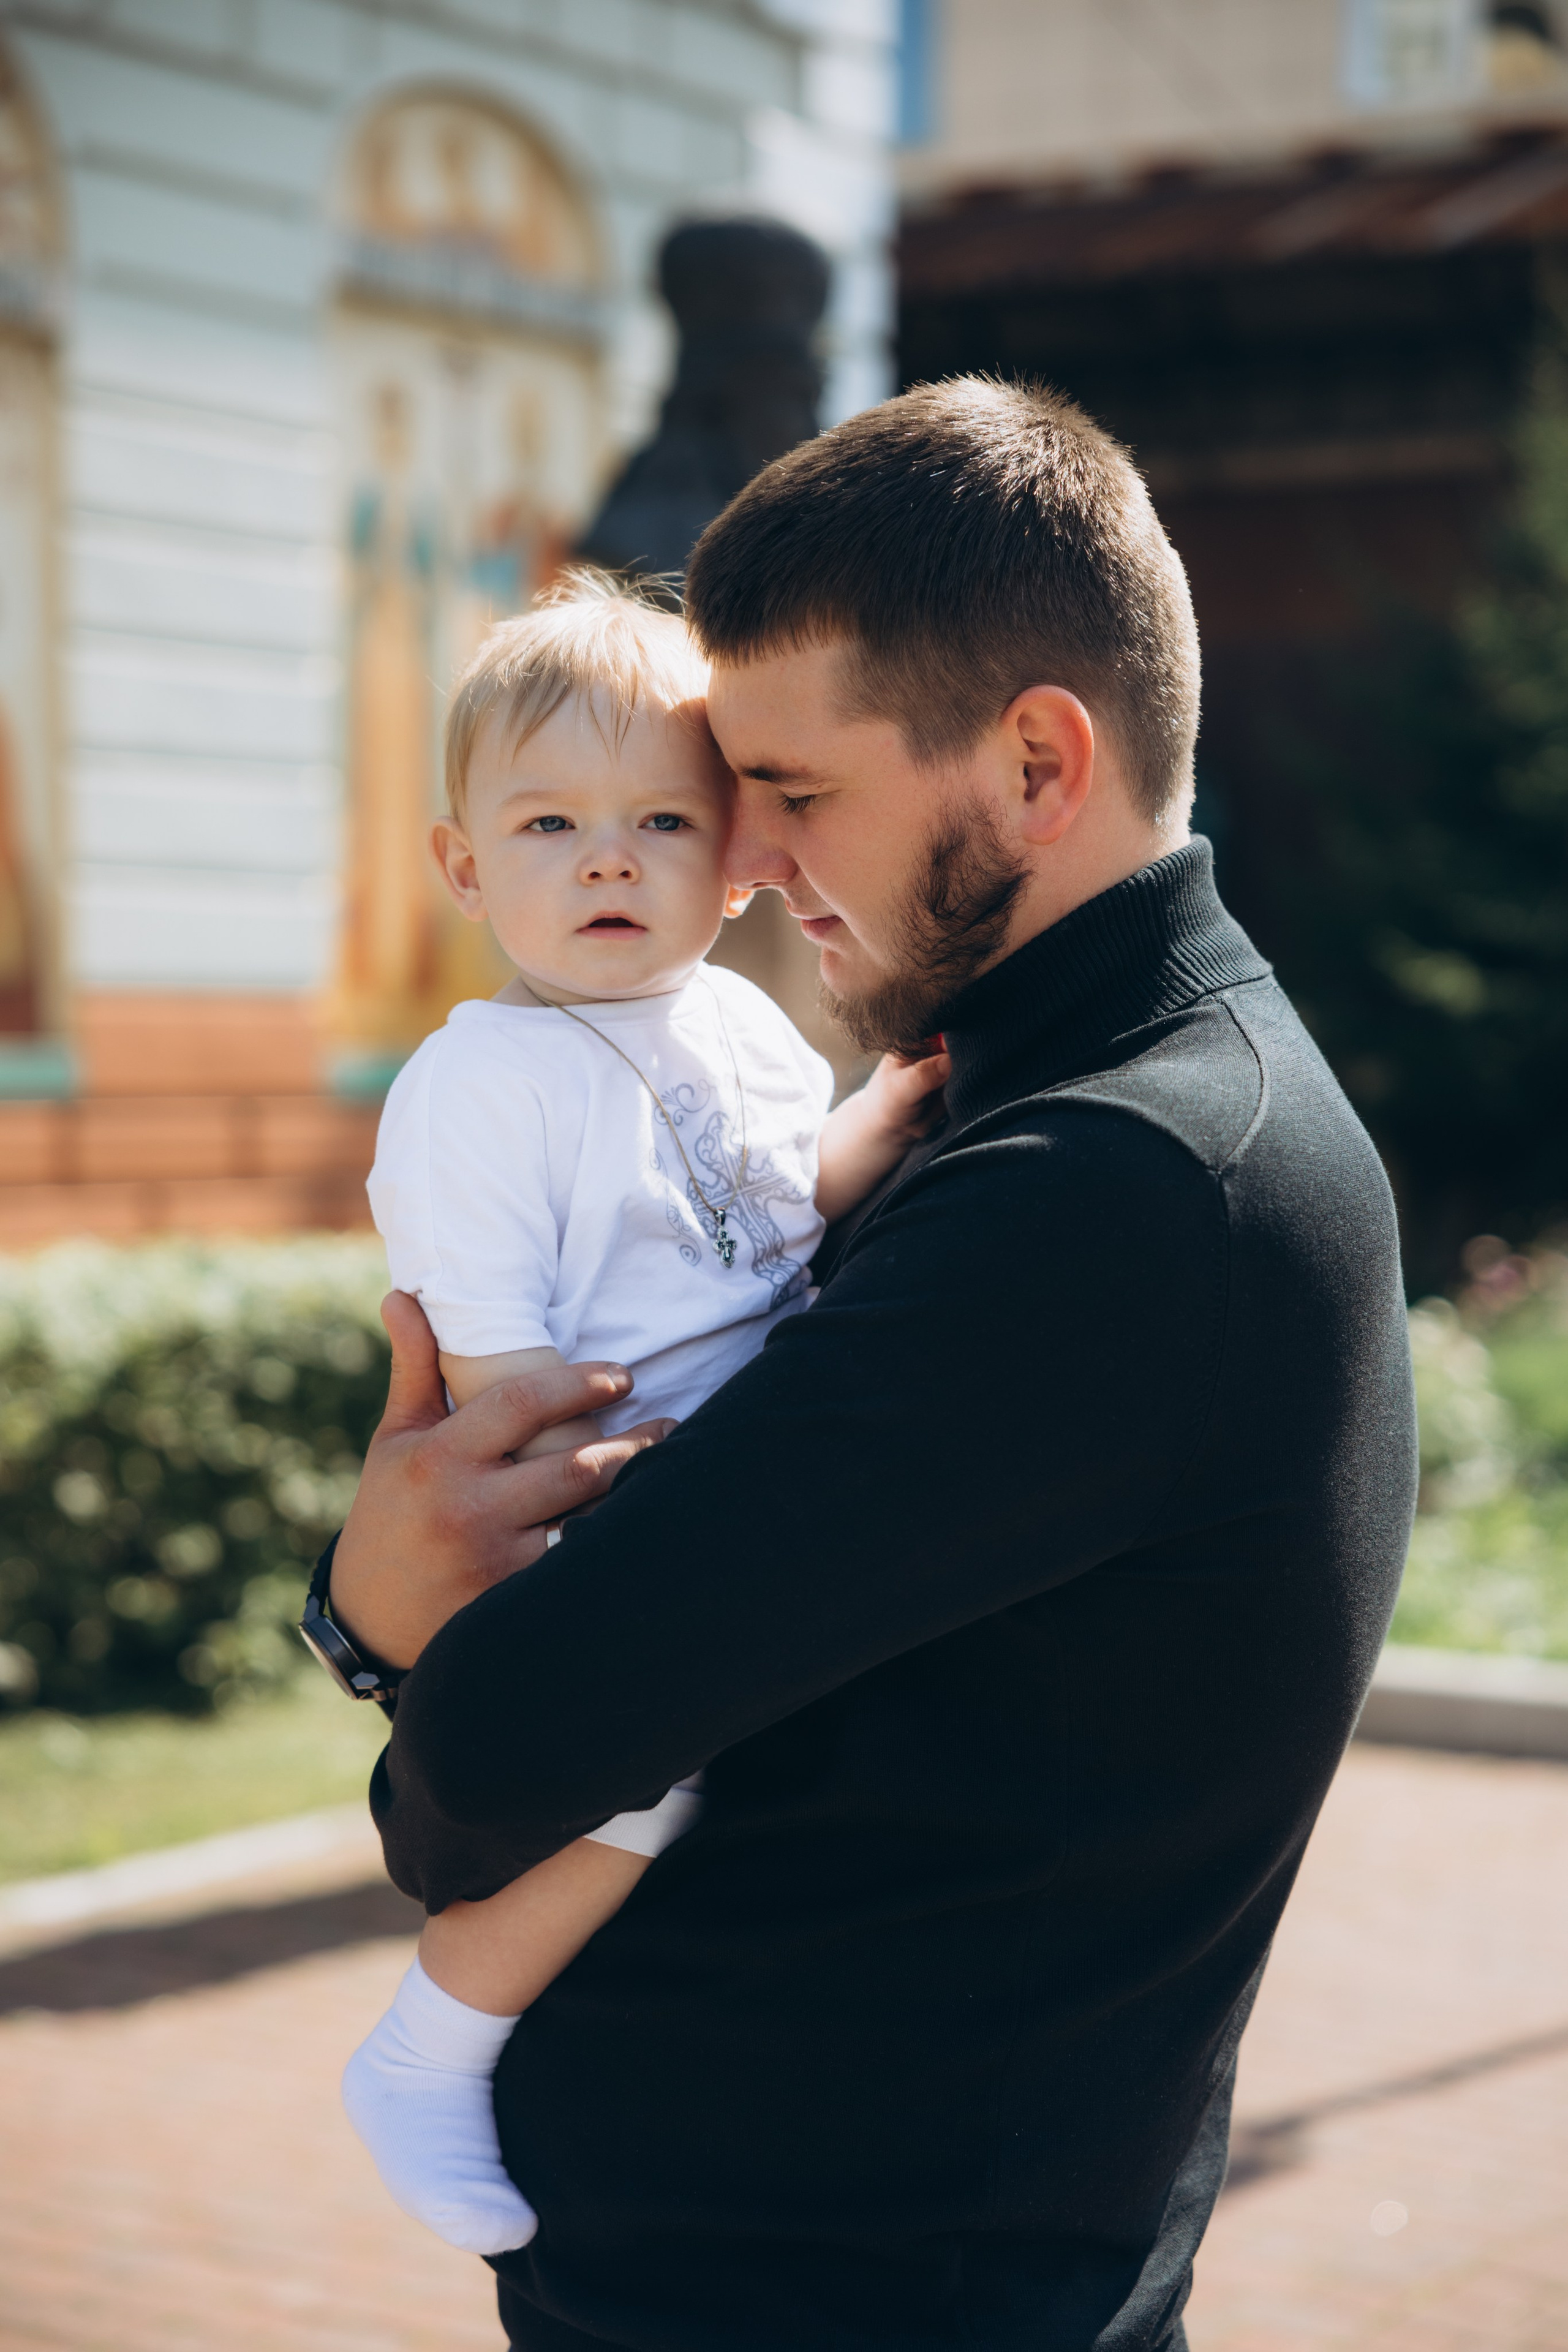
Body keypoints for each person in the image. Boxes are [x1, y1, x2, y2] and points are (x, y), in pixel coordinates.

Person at [321, 379, 1417, 2351]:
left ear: (1034, 761)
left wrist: (380, 1618)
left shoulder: (1121, 1190)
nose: (737, 846)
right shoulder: (1066, 1110)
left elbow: (473, 1776)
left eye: (795, 791)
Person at [337, 575, 946, 2255]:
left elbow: (773, 1217)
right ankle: (432, 2045)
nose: (608, 859)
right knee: (643, 1779)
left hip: (757, 1493)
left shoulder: (746, 1028)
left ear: (734, 849)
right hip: (604, 1511)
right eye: (548, 824)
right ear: (466, 868)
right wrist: (590, 1541)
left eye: (659, 818)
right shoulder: (476, 1087)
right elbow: (493, 1367)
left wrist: (891, 1110)